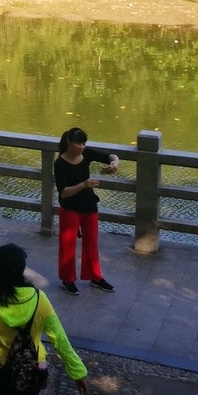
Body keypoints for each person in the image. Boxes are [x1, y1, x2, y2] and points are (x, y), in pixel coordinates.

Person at [0, 243, 88, 395]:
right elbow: (58, 336)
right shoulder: (39, 299)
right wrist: (77, 372)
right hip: (32, 368)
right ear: (23, 268)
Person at [53, 126, 119, 296]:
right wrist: (83, 184)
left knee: (91, 243)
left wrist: (115, 163)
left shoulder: (87, 154)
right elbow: (64, 192)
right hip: (70, 208)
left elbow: (111, 156)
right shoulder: (60, 163)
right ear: (69, 142)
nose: (82, 147)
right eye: (78, 143)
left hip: (89, 205)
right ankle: (67, 279)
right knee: (67, 245)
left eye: (83, 143)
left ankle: (95, 277)